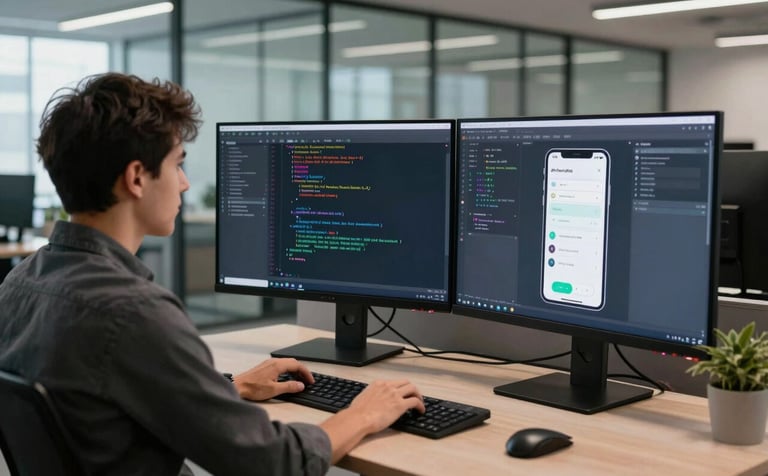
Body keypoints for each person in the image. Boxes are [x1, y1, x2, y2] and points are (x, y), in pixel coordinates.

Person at [0, 72, 425, 475]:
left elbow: (97, 402)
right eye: (177, 164)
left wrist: (229, 389)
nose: (184, 183)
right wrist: (363, 414)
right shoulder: (134, 313)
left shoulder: (17, 284)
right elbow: (276, 464)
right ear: (136, 178)